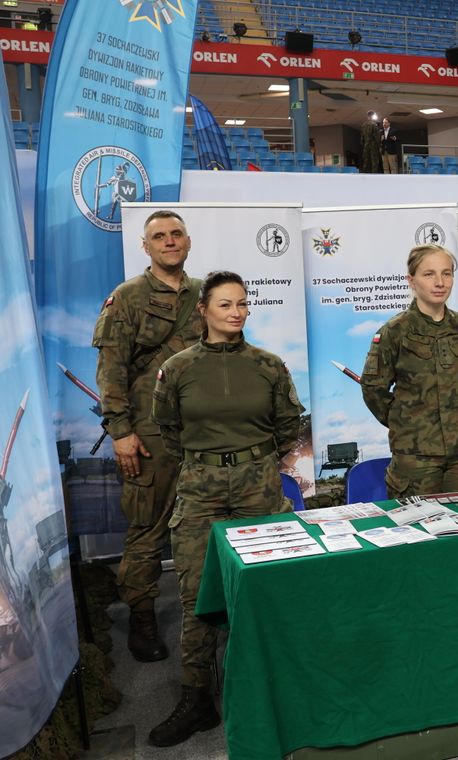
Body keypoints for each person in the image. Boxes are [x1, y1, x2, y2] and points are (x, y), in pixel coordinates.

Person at [149, 271, 304, 747]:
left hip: (259, 487)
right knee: (199, 596)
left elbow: (289, 423)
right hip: (200, 492)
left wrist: (251, 461)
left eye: (242, 304)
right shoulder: (177, 368)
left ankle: (282, 690)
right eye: (225, 305)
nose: (236, 312)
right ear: (204, 310)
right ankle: (197, 699)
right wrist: (213, 463)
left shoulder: (268, 365)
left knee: (269, 589)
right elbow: (167, 429)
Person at [91, 209, 202, 663]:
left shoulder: (204, 294)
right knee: (147, 529)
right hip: (150, 436)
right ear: (146, 246)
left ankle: (209, 611)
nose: (169, 241)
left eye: (176, 234)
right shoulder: (128, 297)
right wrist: (120, 432)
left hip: (200, 432)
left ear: (188, 241)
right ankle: (142, 618)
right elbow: (110, 370)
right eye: (160, 236)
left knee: (204, 525)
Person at [361, 244, 458, 498]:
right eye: (429, 274)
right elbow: (373, 388)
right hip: (415, 458)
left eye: (447, 273)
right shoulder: (395, 331)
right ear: (411, 280)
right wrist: (405, 421)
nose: (440, 282)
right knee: (418, 530)